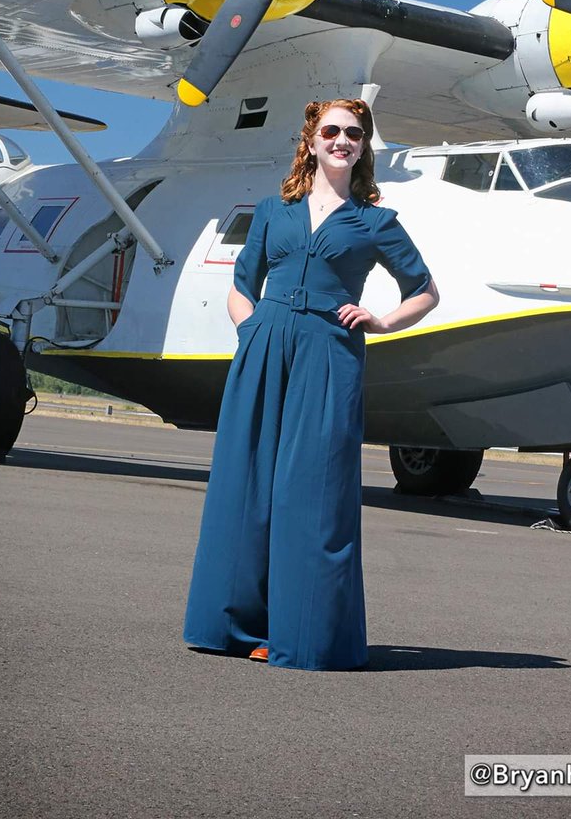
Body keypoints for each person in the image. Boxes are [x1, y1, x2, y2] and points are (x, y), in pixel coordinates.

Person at [183, 98, 439, 670]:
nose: (342, 140)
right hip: (265, 345)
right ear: (312, 140)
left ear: (364, 145)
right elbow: (241, 282)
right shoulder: (274, 210)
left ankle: (303, 634)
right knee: (243, 485)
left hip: (329, 352)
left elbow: (424, 290)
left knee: (314, 494)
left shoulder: (377, 221)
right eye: (332, 131)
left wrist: (381, 319)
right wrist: (250, 326)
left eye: (354, 132)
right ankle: (228, 627)